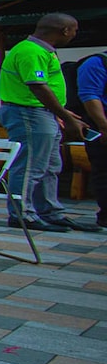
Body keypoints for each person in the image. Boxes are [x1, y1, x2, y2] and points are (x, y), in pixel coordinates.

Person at [0, 13, 89, 232]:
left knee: (50, 166)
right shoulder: (31, 51)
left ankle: (50, 212)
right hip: (29, 114)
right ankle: (22, 214)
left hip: (42, 113)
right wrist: (66, 116)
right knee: (30, 166)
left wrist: (61, 111)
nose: (75, 34)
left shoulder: (43, 51)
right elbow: (38, 86)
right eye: (74, 30)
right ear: (65, 30)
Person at [73, 49, 107, 229]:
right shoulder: (96, 63)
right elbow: (89, 95)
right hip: (100, 126)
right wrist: (103, 126)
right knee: (104, 170)